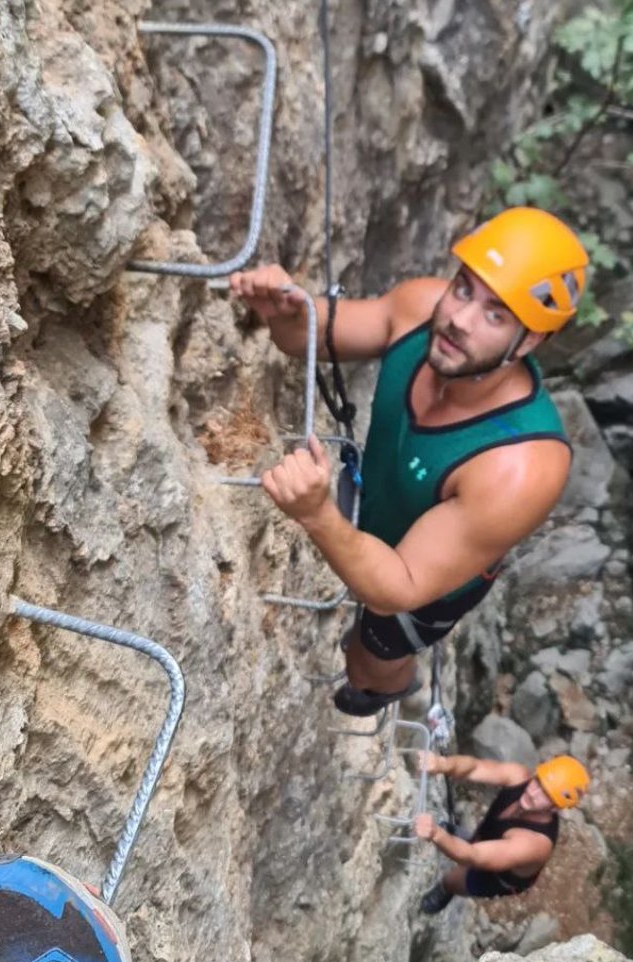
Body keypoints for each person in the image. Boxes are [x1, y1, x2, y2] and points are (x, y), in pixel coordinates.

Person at [228, 207, 589, 715]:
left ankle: (390, 685)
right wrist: (285, 307)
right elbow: (303, 339)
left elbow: (398, 587)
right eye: (464, 288)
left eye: (495, 314)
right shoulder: (420, 309)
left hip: (429, 578)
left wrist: (316, 514)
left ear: (529, 340)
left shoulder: (520, 467)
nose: (460, 320)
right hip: (381, 506)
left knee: (368, 658)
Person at [412, 753, 590, 914]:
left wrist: (436, 834)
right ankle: (466, 837)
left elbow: (472, 856)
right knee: (477, 838)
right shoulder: (520, 777)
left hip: (498, 876)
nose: (533, 792)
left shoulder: (533, 844)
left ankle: (445, 890)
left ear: (555, 808)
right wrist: (443, 764)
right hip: (488, 834)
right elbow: (475, 767)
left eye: (546, 795)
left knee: (453, 879)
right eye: (538, 782)